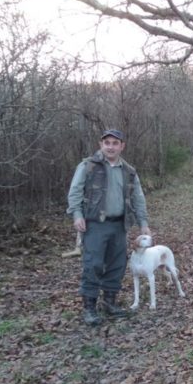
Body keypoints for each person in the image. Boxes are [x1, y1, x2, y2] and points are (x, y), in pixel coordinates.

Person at [67, 129, 152, 326]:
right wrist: (77, 215)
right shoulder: (88, 166)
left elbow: (138, 198)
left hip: (119, 225)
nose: (111, 147)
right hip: (95, 225)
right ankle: (89, 308)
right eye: (107, 143)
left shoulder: (129, 171)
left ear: (122, 146)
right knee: (93, 265)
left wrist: (143, 224)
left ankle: (110, 303)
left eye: (115, 143)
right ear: (101, 145)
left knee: (117, 265)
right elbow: (75, 192)